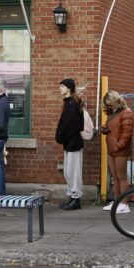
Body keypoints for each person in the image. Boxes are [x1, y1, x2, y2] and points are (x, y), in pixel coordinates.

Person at [101, 90, 134, 212]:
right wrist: (105, 130)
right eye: (107, 104)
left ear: (116, 101)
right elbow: (115, 130)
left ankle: (124, 204)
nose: (109, 106)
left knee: (122, 177)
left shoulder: (126, 113)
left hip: (120, 149)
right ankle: (117, 202)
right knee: (115, 177)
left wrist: (118, 145)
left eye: (110, 103)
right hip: (112, 147)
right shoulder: (113, 113)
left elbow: (127, 133)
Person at [54, 78, 85, 210]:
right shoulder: (69, 103)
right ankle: (71, 197)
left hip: (73, 143)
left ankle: (76, 199)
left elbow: (70, 125)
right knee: (68, 171)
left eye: (62, 86)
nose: (59, 88)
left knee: (74, 171)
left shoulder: (72, 104)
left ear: (68, 88)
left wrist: (60, 137)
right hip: (69, 143)